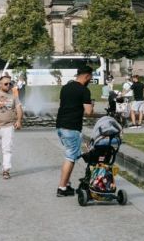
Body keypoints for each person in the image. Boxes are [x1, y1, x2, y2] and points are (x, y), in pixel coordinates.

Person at [55, 63, 94, 197]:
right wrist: (92, 104)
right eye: (90, 78)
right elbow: (89, 112)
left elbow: (64, 105)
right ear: (87, 76)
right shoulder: (84, 90)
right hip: (72, 127)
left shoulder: (65, 87)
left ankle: (66, 184)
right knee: (70, 157)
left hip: (60, 125)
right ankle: (62, 188)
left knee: (69, 154)